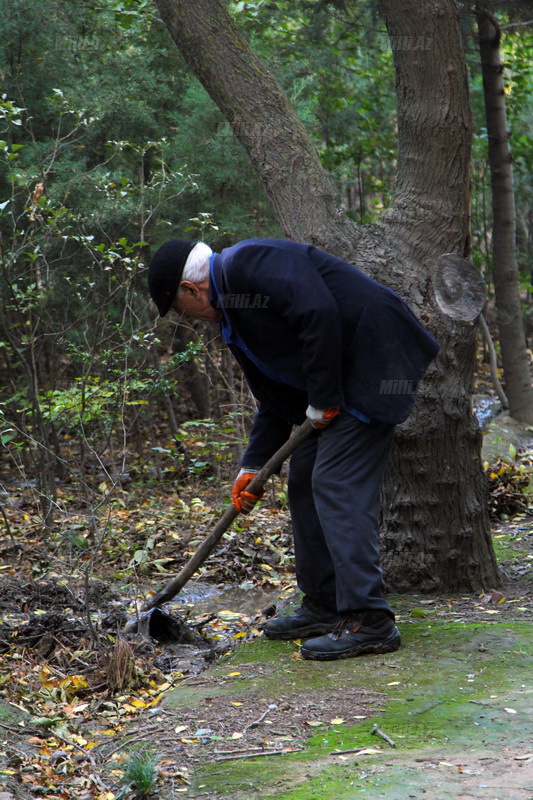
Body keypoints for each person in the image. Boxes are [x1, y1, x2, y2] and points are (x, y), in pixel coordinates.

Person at [148, 238, 439, 661]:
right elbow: (274, 393)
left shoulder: (249, 263)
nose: (185, 319)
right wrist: (252, 465)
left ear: (192, 290)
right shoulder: (235, 315)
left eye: (178, 308)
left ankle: (370, 620)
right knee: (303, 479)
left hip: (373, 364)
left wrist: (322, 396)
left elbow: (318, 313)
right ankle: (325, 605)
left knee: (336, 482)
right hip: (337, 380)